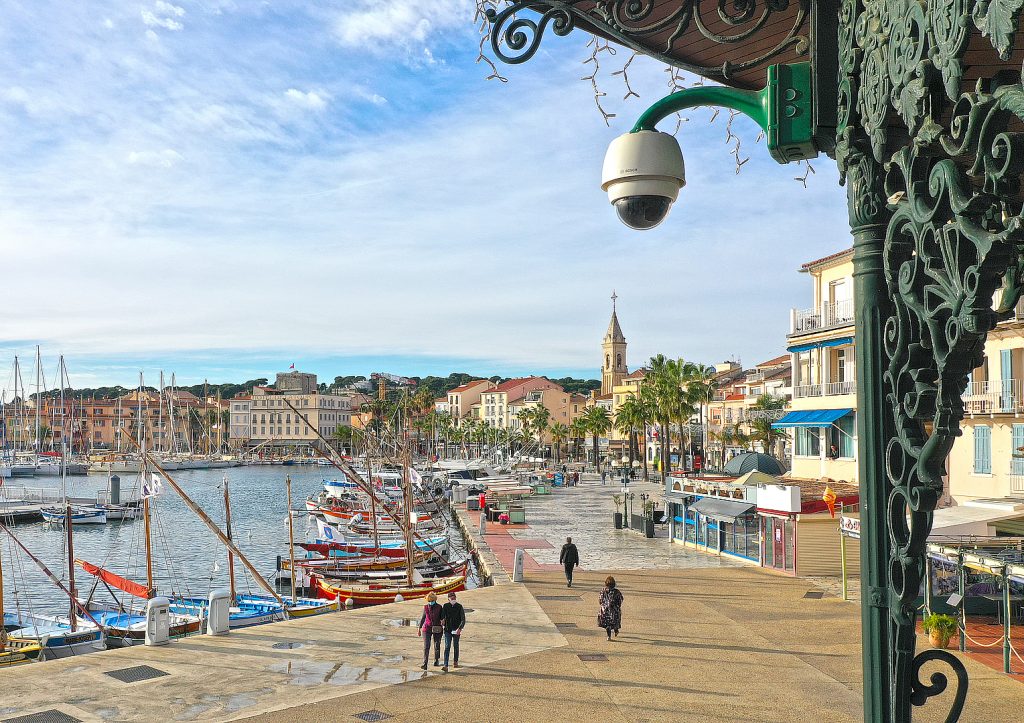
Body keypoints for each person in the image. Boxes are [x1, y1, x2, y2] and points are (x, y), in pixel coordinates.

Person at [417, 592, 444, 670]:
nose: (430, 602)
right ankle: (425, 663)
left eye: (431, 600)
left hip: (437, 627)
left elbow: (442, 617)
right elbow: (423, 618)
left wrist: (443, 622)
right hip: (427, 628)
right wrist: (419, 628)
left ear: (434, 600)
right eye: (429, 601)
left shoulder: (439, 607)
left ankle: (436, 659)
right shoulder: (425, 607)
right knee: (426, 646)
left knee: (437, 645)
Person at [441, 591, 466, 672]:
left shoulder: (459, 606)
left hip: (456, 630)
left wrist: (460, 628)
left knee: (456, 645)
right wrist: (442, 621)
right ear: (448, 599)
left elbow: (463, 619)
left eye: (454, 598)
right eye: (452, 599)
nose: (453, 600)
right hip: (448, 630)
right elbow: (442, 616)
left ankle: (455, 661)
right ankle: (445, 665)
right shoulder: (445, 606)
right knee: (447, 646)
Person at [598, 576, 623, 640]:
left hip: (604, 610)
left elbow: (600, 600)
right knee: (615, 622)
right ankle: (616, 630)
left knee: (607, 624)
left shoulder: (602, 591)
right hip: (614, 610)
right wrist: (617, 606)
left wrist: (603, 605)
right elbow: (620, 600)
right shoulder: (617, 592)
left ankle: (609, 636)